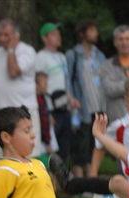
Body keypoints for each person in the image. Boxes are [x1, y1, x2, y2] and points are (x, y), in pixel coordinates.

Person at [0, 18, 41, 159]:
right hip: (1, 113)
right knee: (4, 157)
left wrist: (11, 49)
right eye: (0, 35)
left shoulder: (26, 51)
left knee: (27, 157)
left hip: (21, 113)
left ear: (16, 35)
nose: (2, 39)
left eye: (6, 35)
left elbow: (13, 71)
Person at [66, 19, 107, 179]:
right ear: (82, 34)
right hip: (82, 107)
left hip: (99, 106)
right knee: (80, 145)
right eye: (91, 31)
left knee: (95, 144)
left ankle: (91, 177)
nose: (96, 34)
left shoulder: (100, 55)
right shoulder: (73, 55)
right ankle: (79, 179)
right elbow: (67, 78)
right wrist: (70, 98)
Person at [36, 22, 79, 164]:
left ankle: (61, 176)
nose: (58, 37)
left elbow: (64, 82)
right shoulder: (41, 57)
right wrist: (45, 111)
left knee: (64, 147)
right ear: (45, 38)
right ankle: (49, 176)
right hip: (51, 109)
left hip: (64, 107)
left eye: (58, 34)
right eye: (53, 34)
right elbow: (38, 85)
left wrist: (71, 99)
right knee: (51, 149)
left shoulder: (61, 56)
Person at [36, 72, 59, 166]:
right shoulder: (38, 101)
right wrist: (47, 142)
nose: (47, 86)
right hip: (42, 143)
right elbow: (43, 123)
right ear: (36, 85)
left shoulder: (42, 99)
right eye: (45, 83)